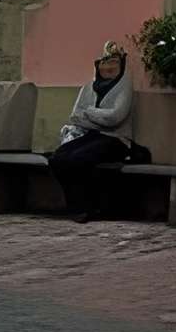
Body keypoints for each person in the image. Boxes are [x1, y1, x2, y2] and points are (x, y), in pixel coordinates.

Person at [48, 40, 134, 220]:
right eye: (104, 67)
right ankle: (75, 205)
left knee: (80, 159)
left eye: (113, 67)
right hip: (90, 134)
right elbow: (75, 116)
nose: (108, 71)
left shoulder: (124, 86)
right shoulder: (88, 87)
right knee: (59, 158)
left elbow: (115, 117)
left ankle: (88, 207)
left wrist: (90, 112)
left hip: (116, 139)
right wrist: (98, 120)